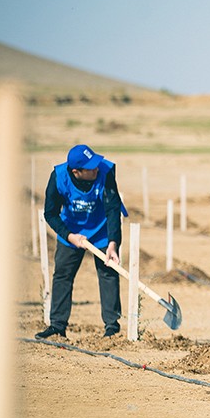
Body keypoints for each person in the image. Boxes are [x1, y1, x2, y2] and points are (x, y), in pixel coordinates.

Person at [37, 144, 126, 339]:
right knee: (62, 274)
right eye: (90, 167)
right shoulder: (59, 177)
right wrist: (69, 236)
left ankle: (112, 327)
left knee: (108, 273)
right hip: (71, 231)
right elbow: (50, 213)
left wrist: (113, 243)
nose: (96, 168)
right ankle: (57, 326)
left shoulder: (105, 171)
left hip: (102, 230)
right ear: (76, 172)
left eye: (95, 164)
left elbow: (113, 208)